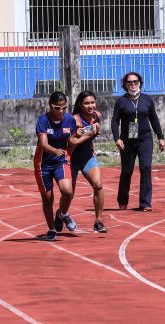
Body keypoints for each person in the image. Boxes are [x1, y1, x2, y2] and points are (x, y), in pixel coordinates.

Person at [111, 72, 165, 212]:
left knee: (146, 168)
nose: (133, 84)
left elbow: (154, 119)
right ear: (125, 85)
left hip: (145, 139)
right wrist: (117, 138)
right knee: (127, 171)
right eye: (129, 82)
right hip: (127, 141)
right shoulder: (121, 101)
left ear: (140, 83)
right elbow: (115, 120)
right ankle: (123, 200)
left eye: (135, 81)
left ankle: (145, 203)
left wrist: (160, 137)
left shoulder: (147, 99)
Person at [33, 91, 77, 241]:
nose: (61, 111)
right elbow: (43, 144)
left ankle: (62, 213)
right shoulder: (43, 120)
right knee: (47, 199)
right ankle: (51, 230)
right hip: (43, 163)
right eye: (57, 108)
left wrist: (83, 137)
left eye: (64, 107)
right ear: (51, 106)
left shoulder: (70, 120)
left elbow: (72, 140)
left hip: (61, 161)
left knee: (67, 191)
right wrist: (54, 150)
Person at [69, 90, 107, 233]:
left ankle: (98, 221)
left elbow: (90, 137)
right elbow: (72, 142)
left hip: (87, 157)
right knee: (69, 194)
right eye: (86, 103)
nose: (90, 106)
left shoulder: (97, 116)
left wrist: (92, 141)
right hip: (71, 159)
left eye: (92, 102)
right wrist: (89, 133)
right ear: (80, 104)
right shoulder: (74, 120)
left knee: (98, 185)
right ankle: (61, 214)